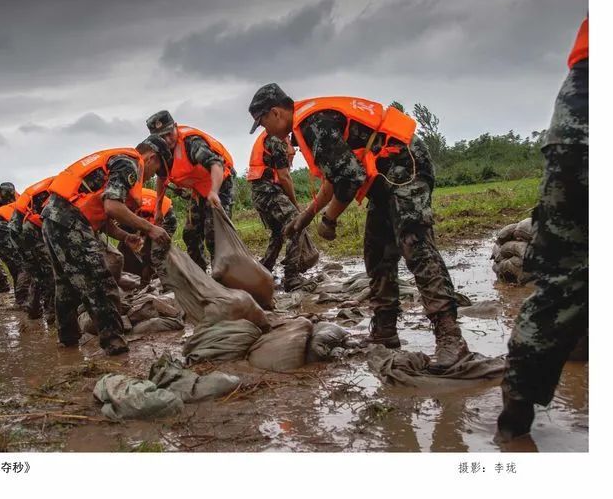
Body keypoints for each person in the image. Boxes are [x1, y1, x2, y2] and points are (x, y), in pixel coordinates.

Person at [248, 83, 469, 372]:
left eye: (262, 121)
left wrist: (329, 219)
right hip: (384, 176)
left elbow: (349, 178)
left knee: (415, 245)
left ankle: (450, 337)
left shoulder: (312, 123)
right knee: (377, 253)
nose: (264, 129)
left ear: (275, 113)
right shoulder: (307, 125)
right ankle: (385, 333)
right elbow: (334, 178)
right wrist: (305, 218)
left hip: (404, 165)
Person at [496, 17, 589, 442]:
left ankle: (514, 419)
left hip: (578, 117)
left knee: (564, 277)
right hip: (582, 118)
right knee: (568, 276)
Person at [41, 137, 172, 355]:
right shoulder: (129, 163)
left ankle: (68, 342)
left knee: (66, 286)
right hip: (70, 222)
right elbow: (112, 207)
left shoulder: (116, 160)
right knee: (101, 283)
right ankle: (115, 346)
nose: (151, 177)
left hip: (53, 220)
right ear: (151, 158)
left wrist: (125, 236)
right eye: (157, 171)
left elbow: (100, 215)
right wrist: (150, 228)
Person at [145, 110, 235, 271]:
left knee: (214, 234)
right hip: (198, 191)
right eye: (161, 136)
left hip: (219, 185)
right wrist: (158, 208)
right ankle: (200, 274)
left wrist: (214, 192)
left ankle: (222, 276)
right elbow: (161, 177)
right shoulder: (160, 151)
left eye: (169, 133)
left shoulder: (192, 143)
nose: (167, 139)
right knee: (190, 234)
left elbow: (216, 165)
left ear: (175, 127)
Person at [246, 129, 316, 291]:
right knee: (297, 224)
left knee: (278, 233)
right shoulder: (276, 139)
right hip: (269, 192)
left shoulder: (274, 137)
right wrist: (294, 202)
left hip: (260, 193)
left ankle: (264, 270)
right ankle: (292, 277)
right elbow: (284, 176)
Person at [9, 177, 55, 320]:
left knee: (36, 273)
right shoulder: (54, 190)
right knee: (50, 271)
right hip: (29, 230)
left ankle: (33, 309)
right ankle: (52, 312)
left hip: (16, 232)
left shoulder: (43, 188)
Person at [118, 187, 177, 286]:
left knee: (157, 252)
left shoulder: (122, 200)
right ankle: (142, 281)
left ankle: (169, 286)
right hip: (148, 217)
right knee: (140, 250)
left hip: (164, 215)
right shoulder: (121, 198)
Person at [0, 201, 30, 304]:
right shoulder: (30, 203)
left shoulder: (16, 204)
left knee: (14, 267)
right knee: (24, 265)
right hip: (2, 230)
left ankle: (20, 299)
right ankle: (23, 301)